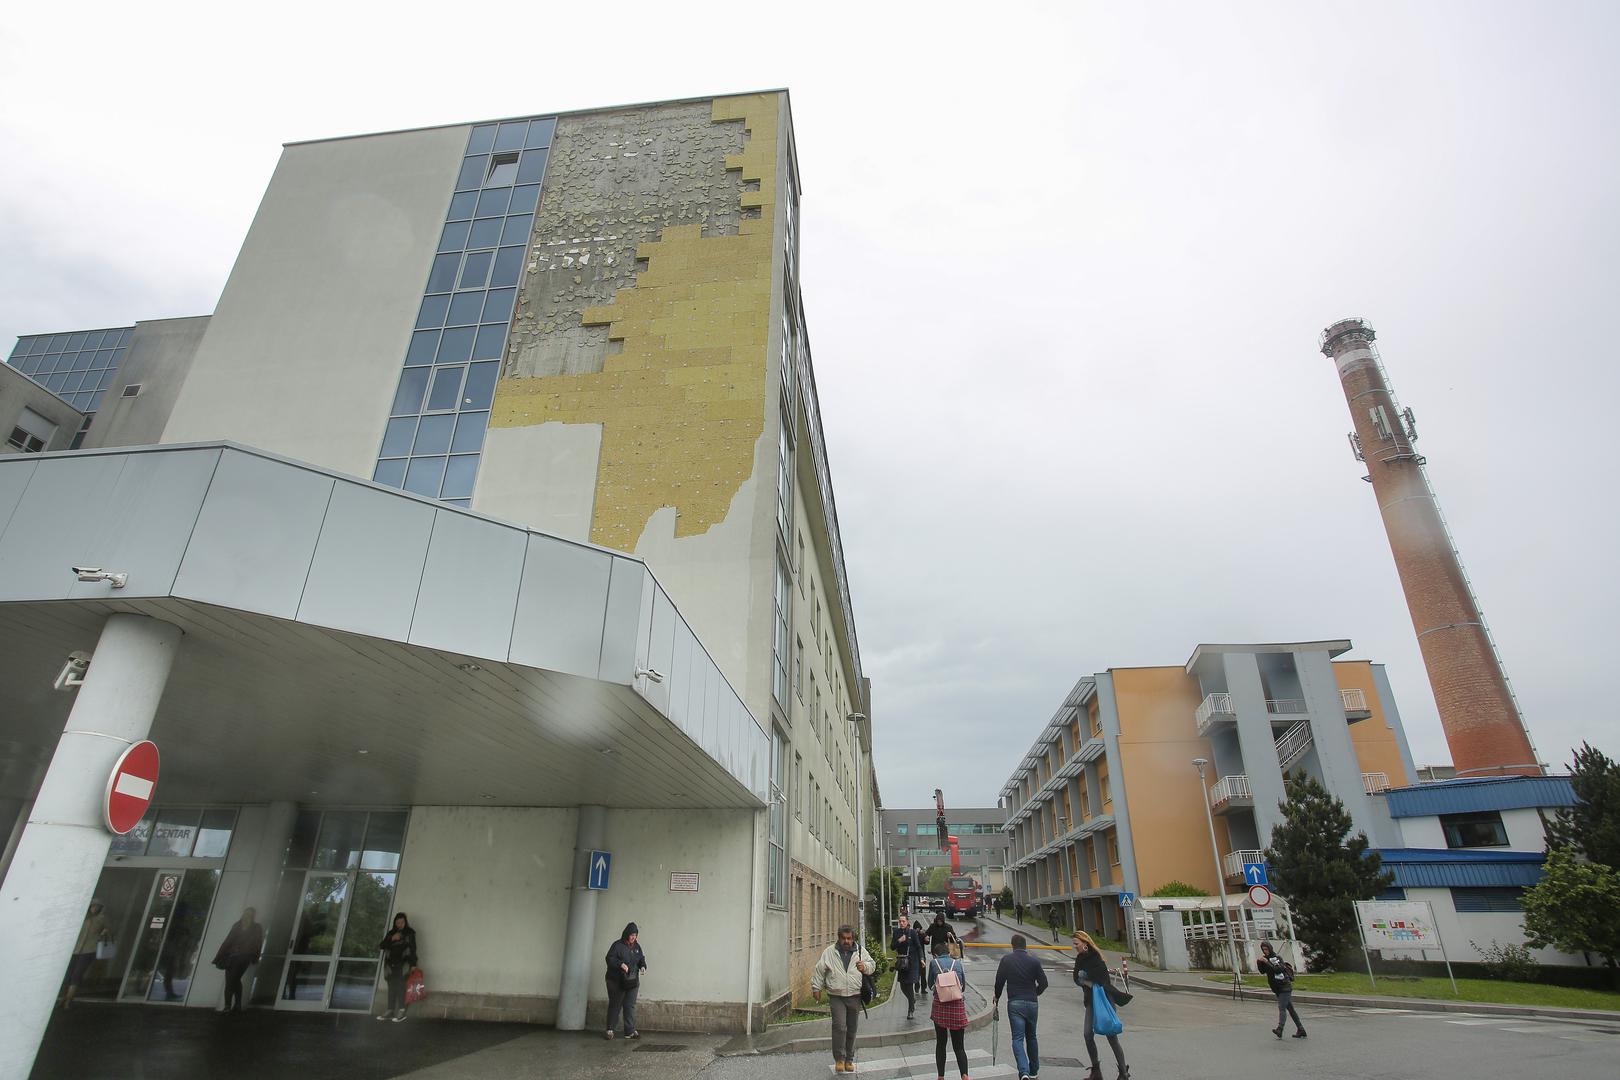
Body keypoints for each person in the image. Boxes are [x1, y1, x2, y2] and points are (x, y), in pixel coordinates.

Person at [811, 925, 873, 1073]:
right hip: (836, 995)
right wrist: (816, 988)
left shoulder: (860, 951)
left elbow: (872, 965)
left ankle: (849, 1059)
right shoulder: (830, 952)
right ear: (839, 938)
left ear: (853, 938)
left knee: (852, 1028)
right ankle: (839, 1059)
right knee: (839, 1027)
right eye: (843, 938)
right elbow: (819, 970)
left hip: (855, 995)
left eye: (849, 938)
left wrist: (864, 966)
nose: (846, 941)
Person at [1073, 930, 1132, 1080]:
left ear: (1085, 943)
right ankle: (1096, 1071)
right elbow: (1076, 978)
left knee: (1111, 1035)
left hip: (1105, 999)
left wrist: (1085, 979)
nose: (1075, 947)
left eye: (1076, 944)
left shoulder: (1096, 958)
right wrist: (1085, 980)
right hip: (1091, 1001)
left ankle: (1124, 1073)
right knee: (1087, 1034)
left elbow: (1100, 980)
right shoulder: (1079, 958)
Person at [992, 933, 1048, 1080]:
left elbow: (999, 981)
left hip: (1015, 1003)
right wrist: (1035, 993)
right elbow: (1044, 983)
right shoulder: (1034, 961)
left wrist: (997, 997)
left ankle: (1024, 1072)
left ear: (1012, 946)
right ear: (1025, 946)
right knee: (1032, 1037)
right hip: (1032, 1003)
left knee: (1017, 1038)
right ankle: (1034, 1070)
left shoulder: (1007, 960)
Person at [927, 942, 970, 1080]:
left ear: (935, 955)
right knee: (959, 1046)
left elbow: (930, 985)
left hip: (940, 1007)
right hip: (957, 1008)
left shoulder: (934, 963)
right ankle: (964, 1075)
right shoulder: (957, 964)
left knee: (941, 1043)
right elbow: (962, 986)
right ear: (949, 952)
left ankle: (941, 1076)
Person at [59, 899, 111, 1010]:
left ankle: (68, 1000)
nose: (94, 908)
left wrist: (102, 934)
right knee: (68, 975)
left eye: (97, 907)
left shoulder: (101, 919)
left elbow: (109, 930)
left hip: (89, 950)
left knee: (77, 975)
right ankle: (64, 998)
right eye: (93, 906)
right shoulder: (83, 918)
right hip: (75, 949)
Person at [212, 907, 264, 1014]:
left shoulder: (256, 927)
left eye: (250, 914)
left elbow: (258, 943)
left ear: (253, 916)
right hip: (233, 957)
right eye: (246, 914)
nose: (247, 916)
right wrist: (219, 956)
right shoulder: (238, 925)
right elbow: (228, 941)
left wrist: (255, 957)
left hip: (243, 957)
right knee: (234, 980)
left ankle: (228, 1006)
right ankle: (237, 1005)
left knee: (231, 980)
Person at [604, 922, 647, 1039]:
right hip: (616, 981)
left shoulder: (637, 947)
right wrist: (620, 964)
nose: (634, 937)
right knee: (615, 1004)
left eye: (635, 935)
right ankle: (610, 1030)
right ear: (626, 934)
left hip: (632, 981)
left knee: (630, 1005)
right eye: (632, 935)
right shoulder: (617, 945)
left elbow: (641, 958)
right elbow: (609, 958)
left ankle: (630, 1031)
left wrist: (643, 966)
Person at [1257, 941, 1306, 1039]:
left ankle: (1280, 1028)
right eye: (1263, 949)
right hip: (1277, 988)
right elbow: (1262, 971)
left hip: (1284, 986)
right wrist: (1259, 962)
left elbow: (1278, 969)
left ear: (1270, 948)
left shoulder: (1277, 958)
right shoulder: (1266, 959)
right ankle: (1301, 1029)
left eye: (1266, 949)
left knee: (1282, 1007)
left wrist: (1267, 962)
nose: (1265, 951)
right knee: (1290, 1009)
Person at [377, 912, 418, 1022]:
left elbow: (413, 949)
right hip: (390, 965)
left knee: (401, 987)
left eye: (402, 922)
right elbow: (381, 945)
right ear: (395, 923)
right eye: (397, 922)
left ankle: (401, 1010)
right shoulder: (391, 933)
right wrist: (392, 938)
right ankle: (390, 1010)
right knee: (391, 987)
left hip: (403, 964)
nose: (399, 925)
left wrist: (413, 964)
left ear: (405, 922)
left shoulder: (409, 933)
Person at [891, 915, 925, 1020]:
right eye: (900, 921)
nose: (901, 923)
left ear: (907, 922)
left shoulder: (912, 932)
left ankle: (911, 1010)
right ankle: (912, 999)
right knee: (902, 986)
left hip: (912, 962)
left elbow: (919, 947)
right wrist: (899, 941)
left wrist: (922, 959)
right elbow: (892, 947)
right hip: (902, 963)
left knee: (909, 986)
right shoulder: (896, 932)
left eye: (903, 921)